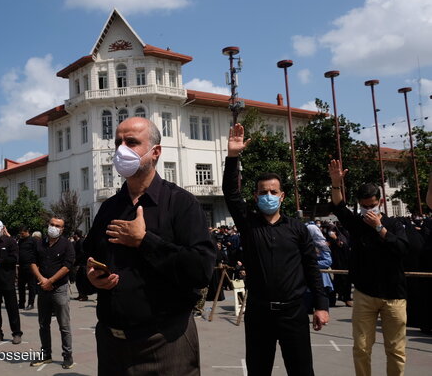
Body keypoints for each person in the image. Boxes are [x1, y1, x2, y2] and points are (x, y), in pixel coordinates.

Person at [84, 117, 215, 376]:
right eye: (118, 142)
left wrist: (145, 241)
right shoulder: (109, 208)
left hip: (165, 342)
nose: (122, 149)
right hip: (112, 345)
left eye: (131, 142)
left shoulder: (182, 204)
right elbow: (86, 259)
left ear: (155, 152)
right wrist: (91, 278)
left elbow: (200, 270)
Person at [223, 123, 329, 376]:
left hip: (294, 312)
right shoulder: (249, 225)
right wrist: (232, 156)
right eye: (263, 192)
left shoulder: (297, 228)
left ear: (282, 196)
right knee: (258, 370)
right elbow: (230, 193)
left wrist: (321, 305)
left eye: (273, 191)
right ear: (256, 196)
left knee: (301, 370)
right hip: (259, 312)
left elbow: (311, 267)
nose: (268, 195)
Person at [328, 160, 409, 376]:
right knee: (362, 348)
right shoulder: (356, 224)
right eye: (364, 206)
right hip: (365, 294)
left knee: (395, 349)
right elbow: (339, 207)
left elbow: (402, 248)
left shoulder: (395, 224)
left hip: (394, 296)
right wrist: (336, 184)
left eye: (372, 206)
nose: (369, 210)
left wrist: (379, 227)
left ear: (380, 202)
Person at [29, 216, 75, 369]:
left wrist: (51, 281)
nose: (53, 227)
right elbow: (33, 262)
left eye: (57, 225)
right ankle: (46, 354)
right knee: (43, 324)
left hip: (59, 289)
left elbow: (67, 266)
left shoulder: (67, 245)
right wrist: (42, 279)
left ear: (62, 229)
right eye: (52, 224)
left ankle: (67, 355)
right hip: (43, 288)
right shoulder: (40, 243)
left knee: (64, 325)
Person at [16, 225, 37, 310]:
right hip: (21, 266)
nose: (21, 235)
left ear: (27, 232)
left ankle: (30, 303)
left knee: (31, 286)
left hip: (30, 266)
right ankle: (21, 303)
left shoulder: (33, 241)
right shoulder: (20, 241)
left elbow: (36, 253)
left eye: (22, 233)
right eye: (20, 233)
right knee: (21, 286)